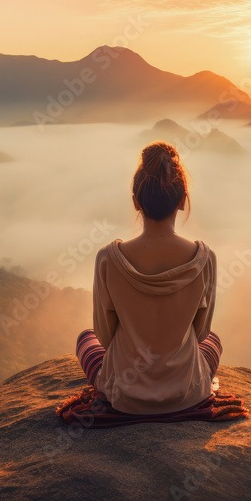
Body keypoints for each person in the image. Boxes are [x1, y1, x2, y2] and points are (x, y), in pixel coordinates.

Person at [75, 141, 222, 415]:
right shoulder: (204, 259)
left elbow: (105, 338)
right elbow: (200, 334)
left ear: (136, 202)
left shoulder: (108, 259)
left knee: (86, 339)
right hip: (187, 393)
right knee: (214, 340)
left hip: (124, 393)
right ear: (182, 201)